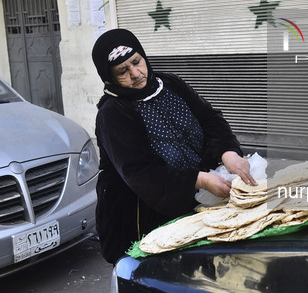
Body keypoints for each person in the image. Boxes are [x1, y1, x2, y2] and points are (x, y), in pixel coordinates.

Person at [91, 28, 256, 264]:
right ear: (109, 77)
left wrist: (228, 153)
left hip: (197, 197)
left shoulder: (168, 83)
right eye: (123, 71)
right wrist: (200, 180)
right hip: (143, 215)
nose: (136, 73)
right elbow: (141, 173)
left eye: (137, 62)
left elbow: (210, 119)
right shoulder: (113, 113)